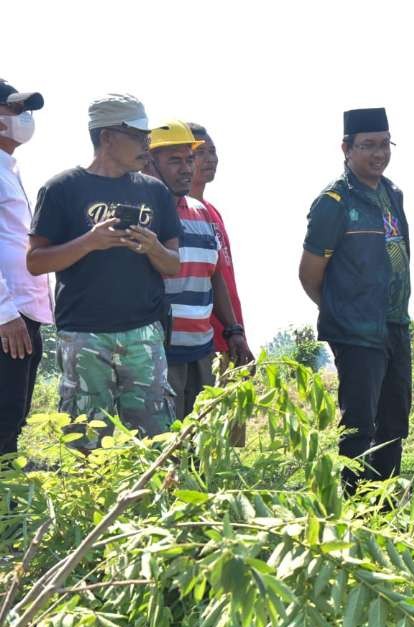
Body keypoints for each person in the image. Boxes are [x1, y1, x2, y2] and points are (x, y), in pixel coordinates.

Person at [26, 94, 180, 440]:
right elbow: (35, 262)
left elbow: (173, 265)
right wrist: (89, 242)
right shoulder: (61, 188)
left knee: (155, 440)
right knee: (85, 441)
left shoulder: (156, 192)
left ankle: (148, 497)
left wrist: (152, 246)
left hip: (144, 332)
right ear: (108, 136)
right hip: (84, 333)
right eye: (139, 136)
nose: (147, 144)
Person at [299, 107, 412, 491]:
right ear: (346, 148)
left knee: (395, 423)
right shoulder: (333, 203)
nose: (378, 154)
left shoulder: (392, 194)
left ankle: (385, 514)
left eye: (384, 144)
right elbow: (309, 274)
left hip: (395, 324)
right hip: (356, 332)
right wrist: (343, 312)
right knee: (359, 428)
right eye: (368, 146)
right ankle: (355, 517)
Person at [141, 121, 252, 419]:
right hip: (160, 351)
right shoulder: (143, 211)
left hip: (201, 349)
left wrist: (233, 330)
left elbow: (214, 274)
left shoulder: (200, 211)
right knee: (165, 443)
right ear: (149, 163)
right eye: (175, 161)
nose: (186, 168)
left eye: (189, 159)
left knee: (202, 441)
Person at [0, 79, 51, 456]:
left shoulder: (9, 168)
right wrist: (4, 312)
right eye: (14, 110)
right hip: (8, 316)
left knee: (15, 418)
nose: (23, 118)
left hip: (25, 312)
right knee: (4, 421)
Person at [187, 122, 247, 366]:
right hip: (201, 341)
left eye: (212, 151)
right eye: (199, 153)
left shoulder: (211, 211)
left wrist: (236, 330)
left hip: (229, 336)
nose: (210, 159)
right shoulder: (176, 214)